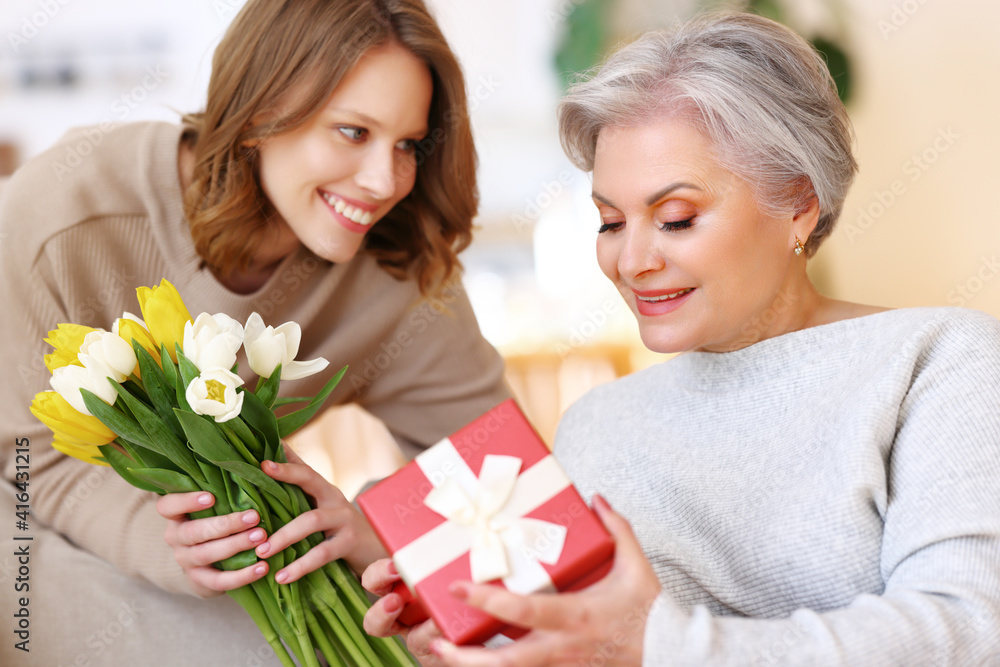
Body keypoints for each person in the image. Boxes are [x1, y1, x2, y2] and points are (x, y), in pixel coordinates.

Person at [357, 12, 1000, 666]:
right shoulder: (598, 426)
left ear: (799, 203)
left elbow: (968, 629)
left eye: (675, 218)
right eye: (610, 221)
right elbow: (585, 645)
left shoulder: (938, 361)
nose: (632, 261)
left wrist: (658, 643)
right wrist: (479, 629)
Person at [0, 0, 508, 664]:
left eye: (407, 144)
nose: (386, 180)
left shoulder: (396, 268)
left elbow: (506, 478)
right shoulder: (66, 210)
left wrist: (372, 525)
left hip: (234, 548)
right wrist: (164, 541)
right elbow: (28, 461)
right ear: (258, 115)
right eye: (353, 132)